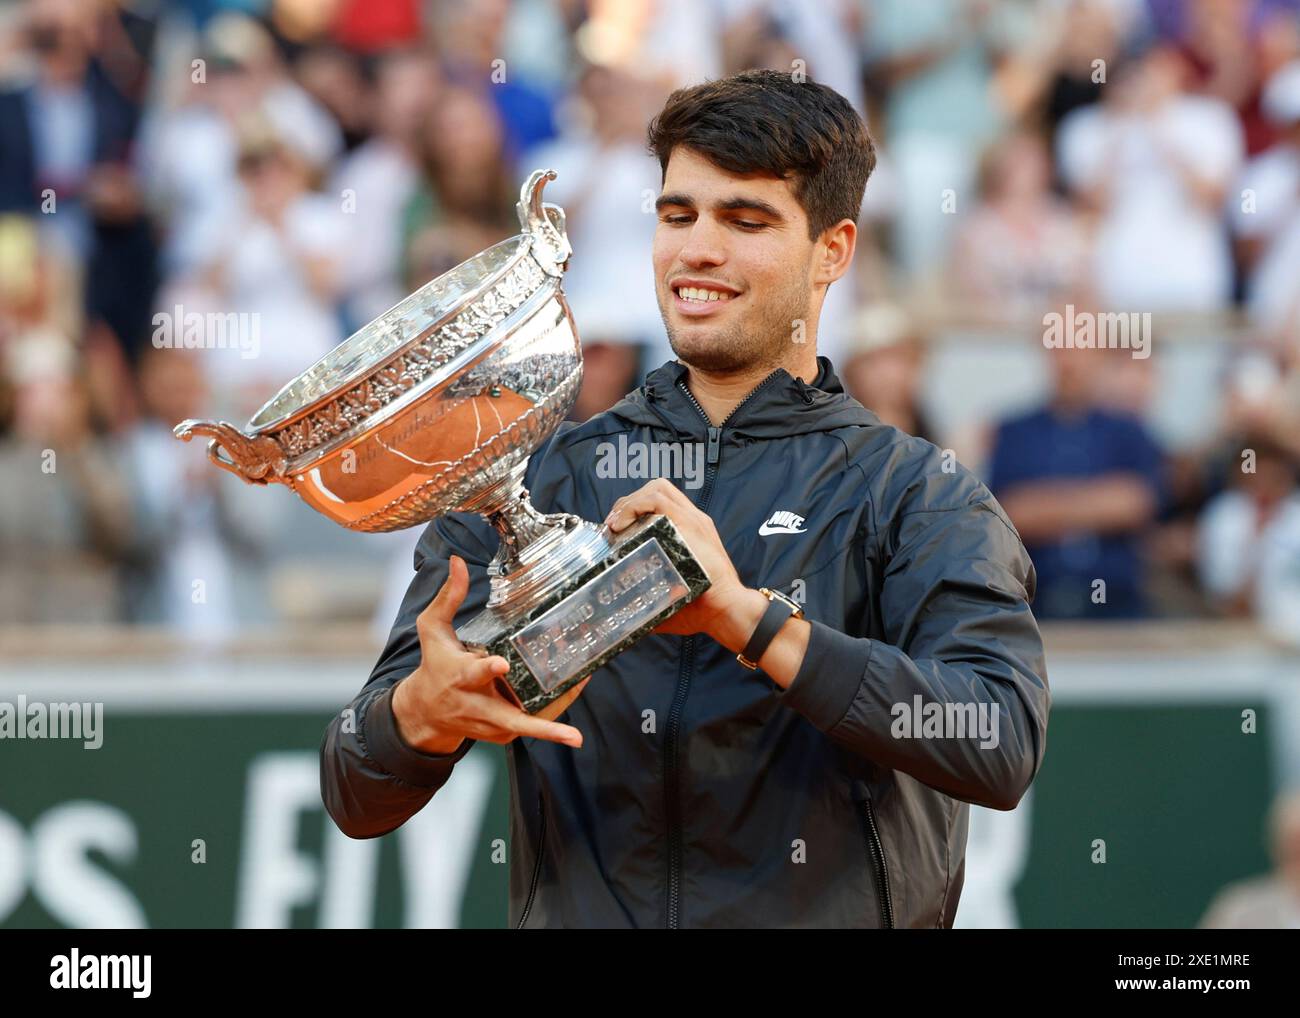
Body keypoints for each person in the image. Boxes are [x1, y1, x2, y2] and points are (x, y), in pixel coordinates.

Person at [321, 70, 1050, 929]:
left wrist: (751, 622)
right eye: (677, 215)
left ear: (833, 250)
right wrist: (417, 715)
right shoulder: (538, 478)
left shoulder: (917, 493)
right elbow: (353, 790)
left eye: (746, 220)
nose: (697, 250)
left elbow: (996, 736)